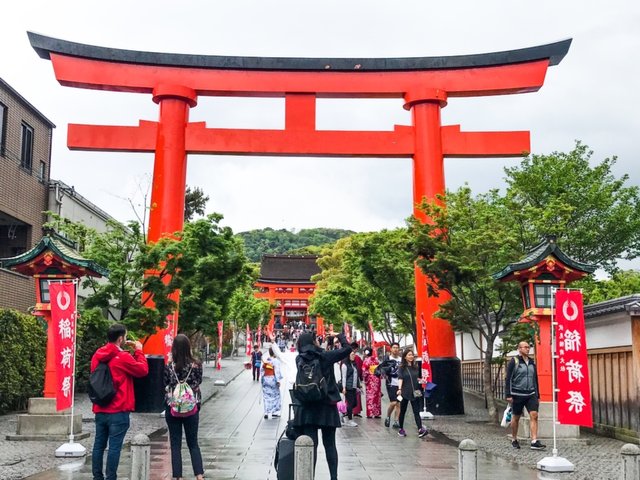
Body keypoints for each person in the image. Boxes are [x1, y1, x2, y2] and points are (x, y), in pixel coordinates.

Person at [91, 324, 148, 480]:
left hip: (100, 407)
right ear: (121, 338)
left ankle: (97, 477)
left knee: (98, 445)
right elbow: (142, 370)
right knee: (114, 447)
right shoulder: (122, 357)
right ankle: (111, 478)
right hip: (118, 408)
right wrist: (138, 350)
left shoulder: (98, 354)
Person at [292, 330, 352, 480]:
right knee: (330, 445)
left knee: (310, 446)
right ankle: (334, 477)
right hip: (327, 404)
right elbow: (347, 349)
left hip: (308, 406)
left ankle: (308, 476)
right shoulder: (325, 356)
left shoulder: (299, 358)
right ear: (313, 342)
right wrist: (339, 336)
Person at [163, 334, 205, 480]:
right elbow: (198, 381)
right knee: (193, 443)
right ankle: (199, 475)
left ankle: (178, 477)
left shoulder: (169, 365)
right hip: (191, 407)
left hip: (173, 407)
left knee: (175, 443)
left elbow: (165, 383)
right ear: (188, 347)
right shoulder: (197, 364)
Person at [505, 341, 546, 450]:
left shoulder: (532, 362)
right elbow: (508, 378)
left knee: (534, 415)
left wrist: (538, 395)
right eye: (525, 347)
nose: (528, 349)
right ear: (519, 349)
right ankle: (514, 439)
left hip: (531, 393)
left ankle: (534, 440)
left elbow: (535, 379)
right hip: (517, 393)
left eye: (529, 347)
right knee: (516, 417)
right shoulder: (514, 361)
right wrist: (508, 394)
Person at [396, 348, 428, 438]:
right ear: (405, 357)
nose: (411, 356)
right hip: (405, 391)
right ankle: (401, 429)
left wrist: (421, 380)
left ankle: (420, 429)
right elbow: (400, 378)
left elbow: (416, 378)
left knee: (416, 411)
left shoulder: (416, 366)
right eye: (409, 355)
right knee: (403, 411)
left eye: (412, 355)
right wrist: (399, 389)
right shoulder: (402, 367)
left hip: (416, 391)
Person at [379, 342, 402, 428]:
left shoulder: (401, 359)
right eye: (394, 348)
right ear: (391, 349)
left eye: (397, 348)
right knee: (393, 402)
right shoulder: (388, 359)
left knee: (399, 403)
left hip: (400, 385)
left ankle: (396, 421)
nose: (396, 349)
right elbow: (381, 369)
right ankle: (388, 416)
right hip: (391, 383)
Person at [340, 350, 361, 427]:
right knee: (350, 403)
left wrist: (358, 385)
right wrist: (344, 387)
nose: (353, 356)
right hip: (348, 387)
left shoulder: (354, 364)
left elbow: (356, 376)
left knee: (354, 403)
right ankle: (349, 419)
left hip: (354, 387)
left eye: (354, 354)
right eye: (352, 354)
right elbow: (344, 377)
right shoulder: (344, 365)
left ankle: (342, 413)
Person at [261, 347, 283, 419]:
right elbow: (277, 371)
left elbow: (262, 370)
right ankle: (275, 412)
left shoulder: (267, 360)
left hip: (266, 379)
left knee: (266, 396)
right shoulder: (276, 361)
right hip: (273, 379)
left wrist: (262, 379)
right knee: (276, 395)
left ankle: (266, 411)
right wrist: (278, 381)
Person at [362, 347, 382, 418]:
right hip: (377, 379)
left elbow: (364, 372)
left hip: (370, 380)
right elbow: (380, 369)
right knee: (377, 396)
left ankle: (370, 413)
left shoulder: (366, 361)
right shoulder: (376, 360)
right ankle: (377, 413)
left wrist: (365, 379)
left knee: (370, 397)